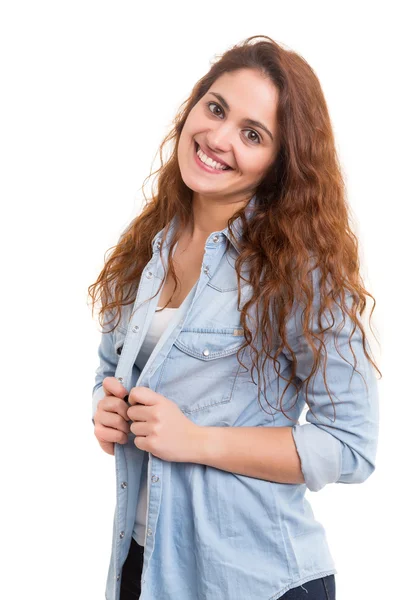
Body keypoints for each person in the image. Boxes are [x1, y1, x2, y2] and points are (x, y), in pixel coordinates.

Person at [88, 35, 380, 600]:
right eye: (216, 108)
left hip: (253, 580)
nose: (218, 139)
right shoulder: (146, 248)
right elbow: (107, 370)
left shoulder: (299, 270)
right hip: (143, 567)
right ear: (194, 106)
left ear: (278, 162)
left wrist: (197, 440)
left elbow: (350, 445)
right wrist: (105, 414)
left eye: (253, 134)